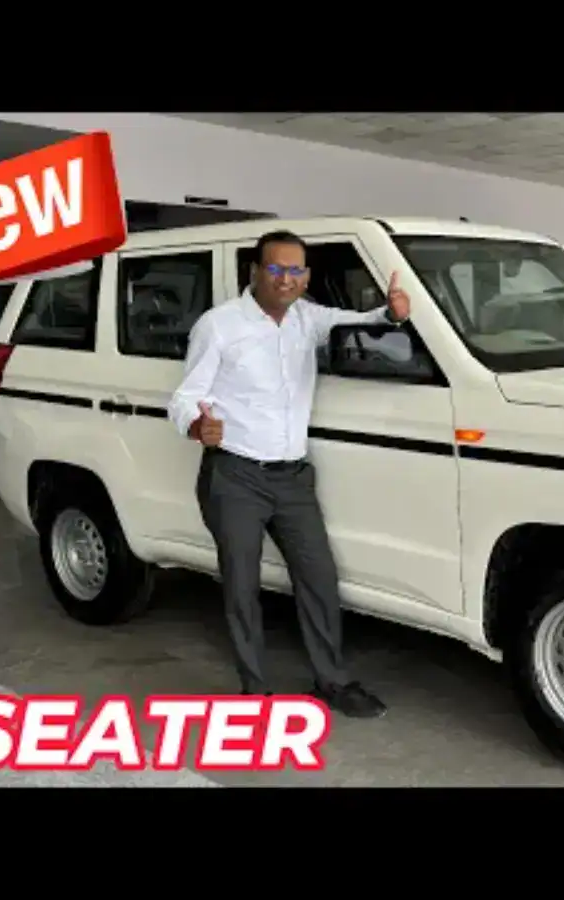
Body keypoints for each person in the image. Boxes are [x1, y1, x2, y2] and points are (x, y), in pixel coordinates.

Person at [167, 229, 410, 719]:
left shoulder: (307, 318)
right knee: (242, 588)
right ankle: (255, 692)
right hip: (235, 475)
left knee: (319, 578)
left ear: (307, 277)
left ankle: (332, 681)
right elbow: (184, 397)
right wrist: (196, 425)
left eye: (296, 270)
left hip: (293, 478)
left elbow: (357, 322)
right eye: (276, 269)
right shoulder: (219, 326)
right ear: (255, 271)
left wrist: (391, 314)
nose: (286, 279)